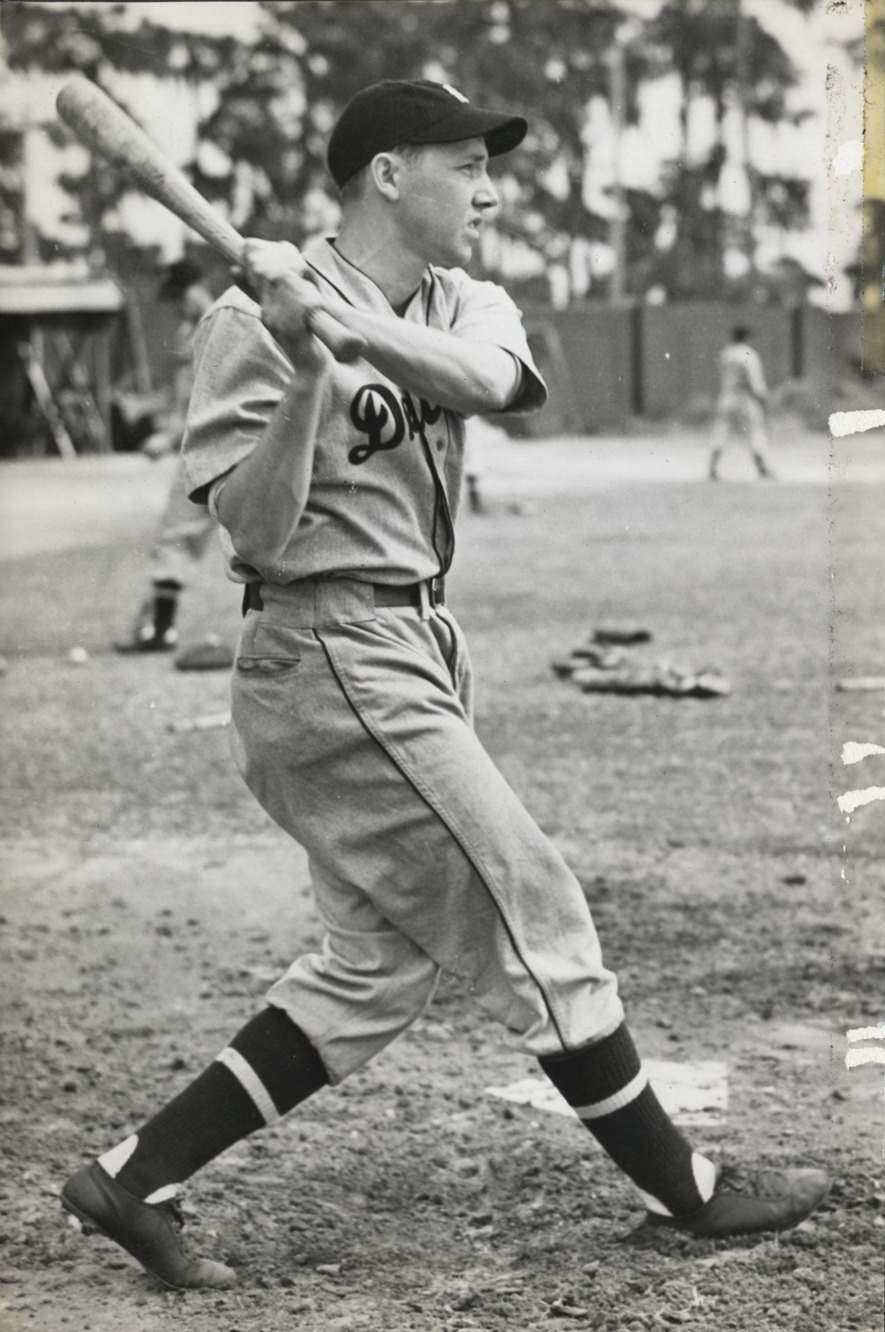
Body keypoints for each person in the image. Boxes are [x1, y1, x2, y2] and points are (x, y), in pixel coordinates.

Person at [61, 80, 828, 1293]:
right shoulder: (246, 323)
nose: (490, 192)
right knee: (535, 900)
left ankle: (132, 1179)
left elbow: (494, 381)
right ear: (388, 174)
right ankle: (683, 1190)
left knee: (374, 971)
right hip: (323, 647)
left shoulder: (464, 297)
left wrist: (347, 331)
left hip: (417, 639)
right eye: (467, 167)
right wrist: (305, 373)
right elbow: (255, 533)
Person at [114, 260, 231, 666]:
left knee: (175, 537)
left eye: (180, 296)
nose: (178, 305)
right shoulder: (193, 330)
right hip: (209, 447)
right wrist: (142, 408)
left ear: (196, 287)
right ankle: (158, 623)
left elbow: (212, 403)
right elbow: (181, 399)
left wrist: (168, 437)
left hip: (213, 451)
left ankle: (161, 628)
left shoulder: (223, 324)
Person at [708, 325, 775, 481]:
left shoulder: (726, 353)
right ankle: (762, 468)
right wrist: (762, 398)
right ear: (746, 338)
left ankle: (712, 466)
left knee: (722, 431)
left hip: (727, 396)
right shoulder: (748, 354)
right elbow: (755, 381)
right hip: (744, 398)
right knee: (754, 431)